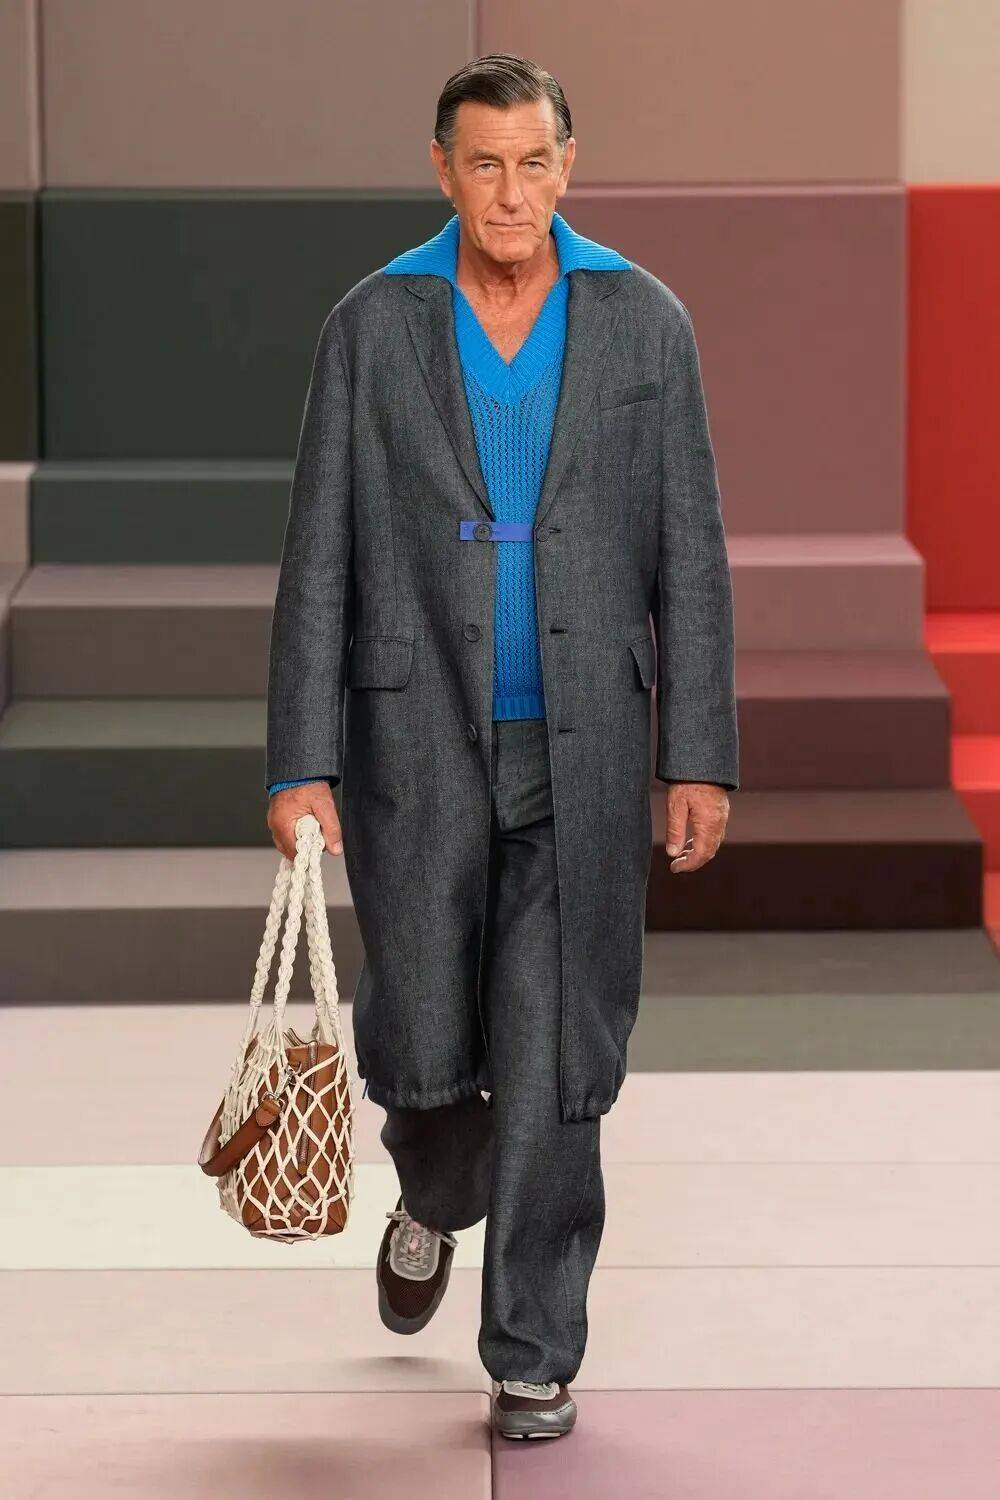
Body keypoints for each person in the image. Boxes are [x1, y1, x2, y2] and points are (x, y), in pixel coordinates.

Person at [265, 53, 738, 1440]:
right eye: (485, 164)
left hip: (583, 750)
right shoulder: (375, 324)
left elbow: (691, 553)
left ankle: (534, 1348)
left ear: (568, 166)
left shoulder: (645, 321)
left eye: (535, 163)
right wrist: (299, 761)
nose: (512, 192)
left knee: (556, 1055)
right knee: (420, 1035)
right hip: (411, 741)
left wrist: (697, 751)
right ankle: (432, 1188)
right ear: (443, 169)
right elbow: (319, 555)